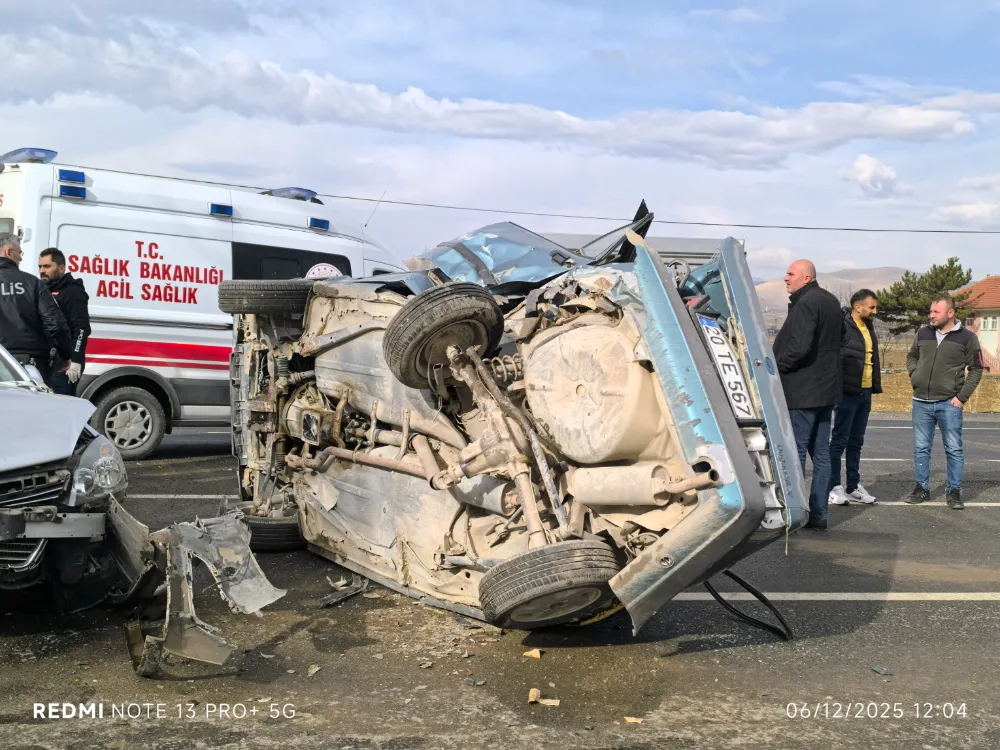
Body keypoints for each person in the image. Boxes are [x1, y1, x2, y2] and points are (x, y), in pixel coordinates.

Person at [773, 259, 844, 530]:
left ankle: (795, 513)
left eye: (790, 273)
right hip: (826, 390)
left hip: (802, 391)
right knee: (822, 454)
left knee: (796, 452)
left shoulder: (806, 303)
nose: (785, 278)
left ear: (806, 278)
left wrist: (778, 368)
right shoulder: (829, 301)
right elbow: (840, 340)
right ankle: (819, 514)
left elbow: (799, 347)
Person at [905, 295, 984, 509]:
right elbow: (911, 356)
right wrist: (915, 374)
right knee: (921, 448)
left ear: (950, 313)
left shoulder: (967, 338)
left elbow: (977, 369)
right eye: (930, 311)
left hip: (949, 403)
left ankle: (954, 492)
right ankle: (921, 488)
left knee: (954, 449)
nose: (931, 315)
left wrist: (961, 397)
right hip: (920, 402)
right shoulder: (923, 333)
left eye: (935, 312)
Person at [829, 289, 882, 506]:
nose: (875, 312)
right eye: (872, 307)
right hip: (846, 393)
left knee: (856, 442)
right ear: (857, 307)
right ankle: (833, 487)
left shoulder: (868, 326)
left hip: (865, 392)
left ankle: (853, 486)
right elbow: (834, 356)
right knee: (839, 441)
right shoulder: (842, 326)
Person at [0, 232, 73, 384]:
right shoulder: (33, 284)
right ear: (8, 252)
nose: (21, 258)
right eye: (20, 253)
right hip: (28, 366)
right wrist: (65, 355)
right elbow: (56, 325)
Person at [39, 247, 91, 396]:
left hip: (64, 364)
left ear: (61, 268)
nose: (42, 270)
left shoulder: (74, 292)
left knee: (61, 408)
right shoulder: (44, 289)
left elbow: (81, 329)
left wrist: (75, 360)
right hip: (47, 361)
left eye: (47, 266)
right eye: (40, 266)